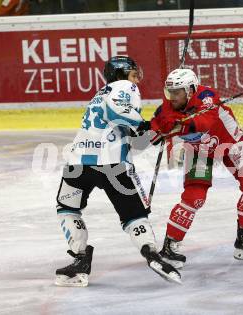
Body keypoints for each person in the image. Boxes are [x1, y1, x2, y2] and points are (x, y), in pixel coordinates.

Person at [54, 56, 181, 287]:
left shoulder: (100, 93)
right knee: (134, 216)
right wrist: (145, 125)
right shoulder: (123, 86)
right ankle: (151, 254)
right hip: (114, 165)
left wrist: (155, 134)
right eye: (133, 73)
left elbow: (130, 137)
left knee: (67, 209)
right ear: (121, 74)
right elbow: (118, 111)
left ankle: (80, 259)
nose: (137, 78)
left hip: (78, 165)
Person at [140, 68, 243, 269]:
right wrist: (157, 130)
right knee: (193, 198)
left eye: (177, 92)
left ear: (190, 90)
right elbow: (153, 134)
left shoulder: (207, 96)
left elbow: (205, 122)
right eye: (169, 92)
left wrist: (178, 126)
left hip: (230, 143)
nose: (172, 97)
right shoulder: (167, 107)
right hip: (200, 150)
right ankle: (170, 246)